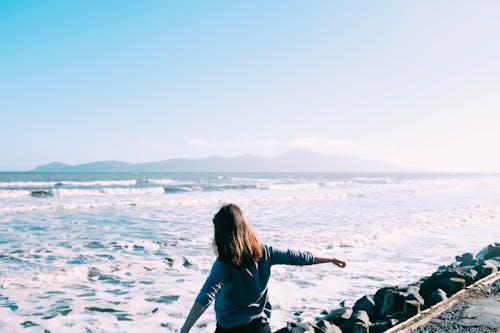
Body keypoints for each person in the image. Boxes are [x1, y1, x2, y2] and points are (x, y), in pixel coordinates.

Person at [180, 204, 346, 333]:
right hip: (261, 328)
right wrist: (331, 259)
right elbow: (300, 257)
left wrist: (185, 329)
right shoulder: (266, 252)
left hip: (230, 330)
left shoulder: (225, 263)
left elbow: (205, 296)